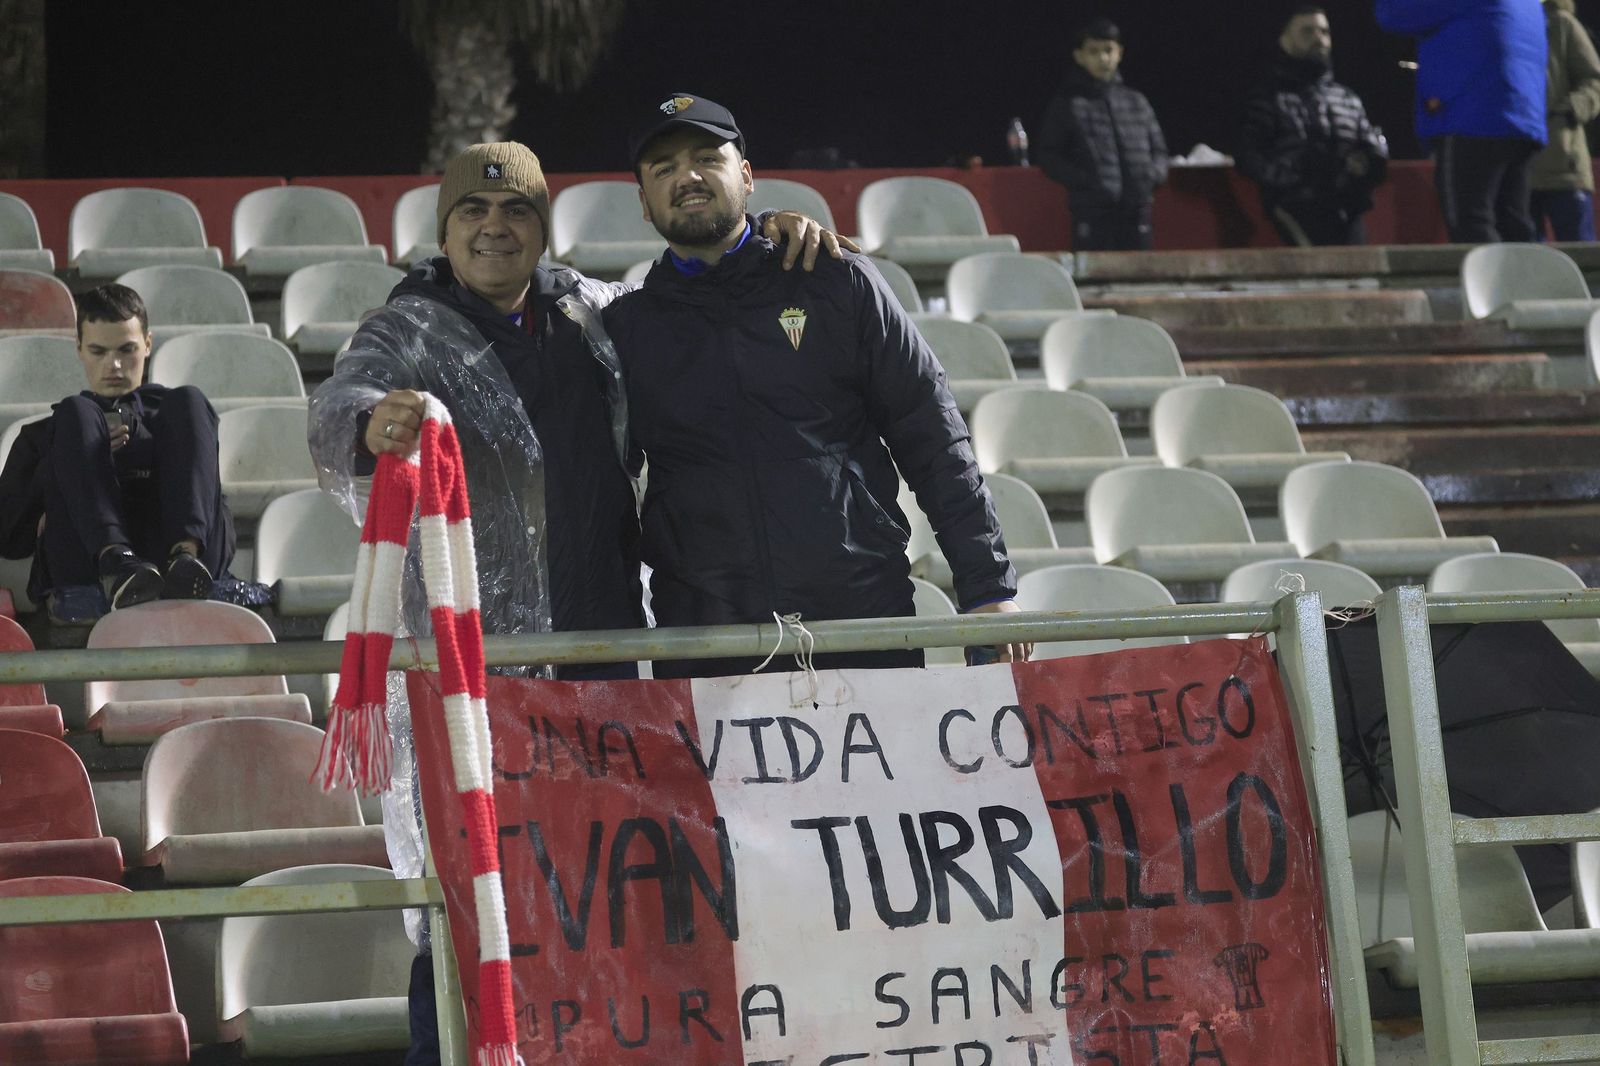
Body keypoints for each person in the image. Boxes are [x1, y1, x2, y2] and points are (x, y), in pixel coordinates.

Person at [307, 140, 847, 1066]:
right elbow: (341, 401)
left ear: (540, 226)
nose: (494, 228)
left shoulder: (590, 314)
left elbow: (695, 309)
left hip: (600, 667)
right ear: (446, 230)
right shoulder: (411, 325)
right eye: (472, 213)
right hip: (473, 684)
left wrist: (778, 240)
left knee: (598, 896)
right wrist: (370, 419)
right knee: (467, 907)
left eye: (514, 211)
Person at [603, 93, 1028, 680]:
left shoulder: (838, 282)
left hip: (859, 618)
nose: (688, 177)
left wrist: (986, 589)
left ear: (747, 176)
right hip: (704, 640)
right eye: (664, 169)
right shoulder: (627, 328)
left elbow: (932, 437)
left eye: (707, 157)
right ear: (644, 203)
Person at [0, 283, 232, 620]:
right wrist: (69, 460)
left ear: (148, 345)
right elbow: (9, 540)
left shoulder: (182, 421)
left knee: (190, 400)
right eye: (99, 351)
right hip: (88, 570)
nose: (115, 366)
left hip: (186, 568)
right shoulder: (50, 430)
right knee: (75, 412)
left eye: (126, 350)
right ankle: (115, 562)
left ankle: (186, 556)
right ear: (79, 349)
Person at [1377, 0, 1548, 243]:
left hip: (1470, 116)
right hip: (1522, 117)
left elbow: (1394, 14)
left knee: (1469, 221)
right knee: (1513, 223)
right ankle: (1524, 281)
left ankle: (1488, 282)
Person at [1238, 6, 1389, 246]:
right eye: (1307, 32)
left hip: (1348, 209)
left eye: (1324, 32)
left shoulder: (1347, 98)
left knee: (1358, 279)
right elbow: (1249, 157)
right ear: (1284, 40)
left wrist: (1367, 163)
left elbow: (1371, 147)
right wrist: (1295, 177)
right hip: (1295, 210)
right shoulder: (1267, 97)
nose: (1319, 39)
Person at [1036, 18, 1169, 251]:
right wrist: (1087, 182)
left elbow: (1159, 150)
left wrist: (1151, 176)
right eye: (1094, 51)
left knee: (1140, 281)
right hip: (1093, 215)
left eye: (1108, 50)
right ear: (1079, 56)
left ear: (1120, 53)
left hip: (1137, 212)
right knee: (1098, 283)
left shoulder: (1136, 101)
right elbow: (1049, 156)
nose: (1103, 58)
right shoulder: (1069, 103)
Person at [1531, 0, 1600, 241]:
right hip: (1520, 169)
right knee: (1527, 262)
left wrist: (1571, 110)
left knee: (1580, 258)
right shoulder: (1504, 23)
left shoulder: (1562, 24)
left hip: (1564, 165)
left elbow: (1594, 80)